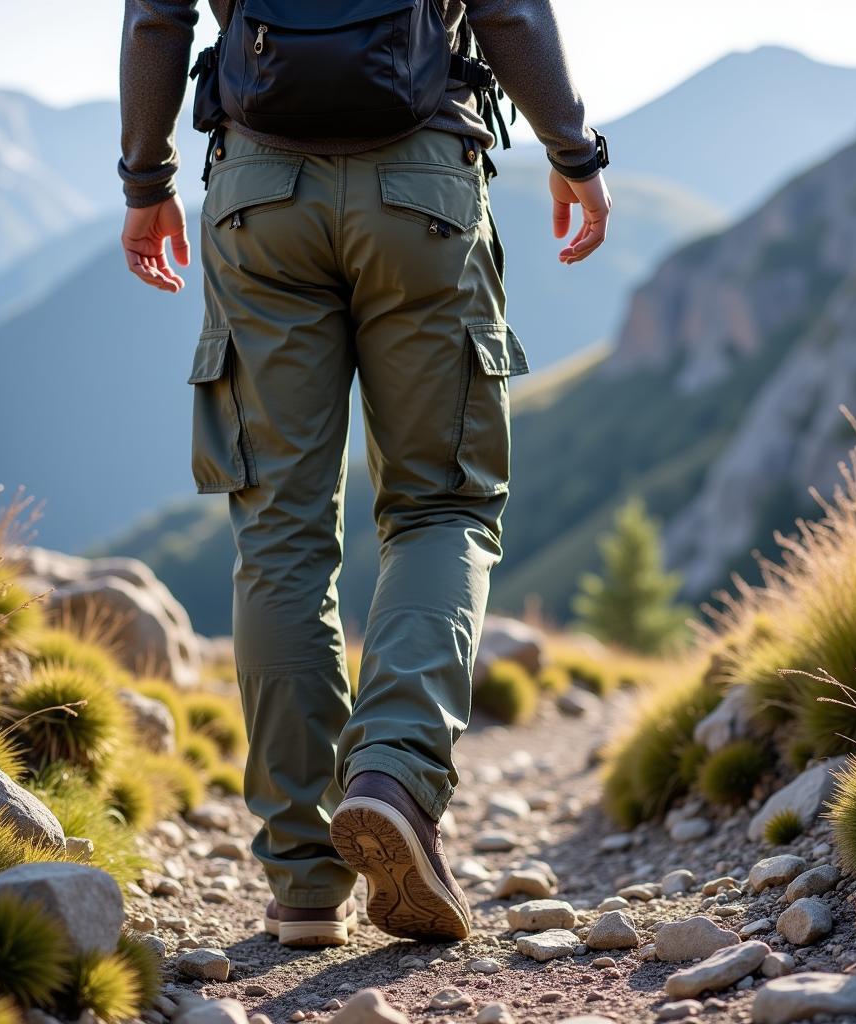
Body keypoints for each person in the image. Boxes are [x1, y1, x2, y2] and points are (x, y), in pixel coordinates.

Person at [118, 0, 611, 948]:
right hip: (420, 185)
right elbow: (508, 8)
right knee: (442, 505)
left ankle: (303, 882)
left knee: (279, 532)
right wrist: (573, 150)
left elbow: (156, 16)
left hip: (259, 190)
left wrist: (147, 176)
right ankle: (390, 775)